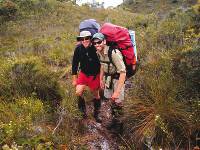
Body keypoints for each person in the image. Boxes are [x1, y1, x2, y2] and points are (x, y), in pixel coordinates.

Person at [92, 33, 126, 134]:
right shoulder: (98, 52)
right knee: (112, 100)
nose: (97, 44)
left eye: (99, 42)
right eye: (95, 43)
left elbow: (123, 72)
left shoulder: (113, 53)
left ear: (104, 41)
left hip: (117, 79)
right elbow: (102, 65)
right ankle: (114, 121)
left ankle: (120, 128)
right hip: (108, 79)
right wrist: (101, 79)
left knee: (118, 102)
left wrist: (117, 91)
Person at [72, 31, 102, 123]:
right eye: (82, 39)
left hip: (95, 75)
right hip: (83, 74)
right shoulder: (78, 49)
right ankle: (82, 112)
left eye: (87, 38)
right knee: (78, 92)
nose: (85, 41)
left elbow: (102, 64)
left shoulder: (96, 48)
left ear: (90, 39)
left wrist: (101, 79)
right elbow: (75, 64)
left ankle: (96, 114)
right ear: (80, 40)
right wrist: (74, 79)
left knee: (96, 95)